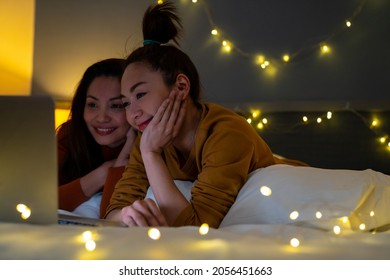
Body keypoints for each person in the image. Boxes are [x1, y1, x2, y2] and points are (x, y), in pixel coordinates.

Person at [105, 1, 306, 228]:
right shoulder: (148, 138)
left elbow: (197, 227)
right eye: (125, 103)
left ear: (181, 87)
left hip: (302, 192)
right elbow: (113, 211)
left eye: (140, 94)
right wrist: (127, 215)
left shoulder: (227, 133)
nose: (133, 113)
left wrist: (151, 154)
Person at [57, 58, 136, 218]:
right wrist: (103, 173)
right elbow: (41, 203)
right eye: (92, 105)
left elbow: (109, 218)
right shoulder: (71, 135)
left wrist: (121, 162)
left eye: (115, 105)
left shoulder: (149, 146)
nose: (101, 118)